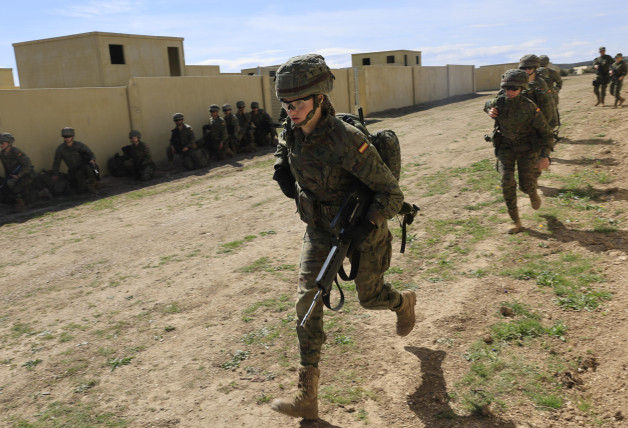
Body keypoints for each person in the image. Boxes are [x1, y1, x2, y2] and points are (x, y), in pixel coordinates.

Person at [270, 54, 417, 420]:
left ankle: (403, 303)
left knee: (370, 298)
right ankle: (307, 396)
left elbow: (392, 195)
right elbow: (284, 146)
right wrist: (281, 166)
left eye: (300, 102)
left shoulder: (346, 140)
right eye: (286, 104)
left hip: (363, 228)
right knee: (307, 300)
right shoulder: (291, 130)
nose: (292, 110)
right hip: (320, 230)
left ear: (320, 98)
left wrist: (365, 226)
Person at [484, 69, 555, 234]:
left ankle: (532, 193)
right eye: (507, 88)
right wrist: (489, 110)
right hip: (505, 148)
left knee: (525, 185)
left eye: (514, 89)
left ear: (522, 88)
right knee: (506, 181)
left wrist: (544, 156)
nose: (510, 92)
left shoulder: (530, 108)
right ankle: (516, 221)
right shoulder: (500, 102)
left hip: (527, 150)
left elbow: (546, 134)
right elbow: (488, 103)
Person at [52, 127, 99, 194]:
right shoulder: (60, 149)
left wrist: (92, 160)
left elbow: (91, 154)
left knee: (90, 169)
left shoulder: (79, 145)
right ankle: (86, 186)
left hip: (84, 167)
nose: (67, 138)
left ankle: (93, 183)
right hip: (73, 170)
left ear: (72, 136)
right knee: (81, 189)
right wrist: (55, 174)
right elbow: (57, 162)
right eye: (65, 137)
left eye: (69, 136)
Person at [517, 54, 558, 130]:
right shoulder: (515, 81)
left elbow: (549, 105)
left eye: (529, 67)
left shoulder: (541, 83)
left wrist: (551, 124)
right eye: (524, 68)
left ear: (535, 68)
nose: (527, 70)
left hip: (539, 124)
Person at [0, 133, 36, 211]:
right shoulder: (2, 154)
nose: (1, 145)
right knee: (6, 191)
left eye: (2, 143)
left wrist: (19, 175)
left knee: (18, 188)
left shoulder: (16, 151)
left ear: (9, 143)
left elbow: (27, 165)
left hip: (26, 174)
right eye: (0, 143)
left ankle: (22, 204)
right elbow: (6, 169)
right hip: (13, 176)